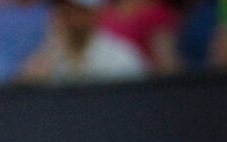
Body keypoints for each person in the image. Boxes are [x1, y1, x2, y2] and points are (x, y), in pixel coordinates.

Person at [20, 0, 148, 84]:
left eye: (78, 11)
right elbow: (25, 95)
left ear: (94, 13)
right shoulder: (48, 54)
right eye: (64, 10)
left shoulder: (121, 55)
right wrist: (52, 47)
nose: (70, 17)